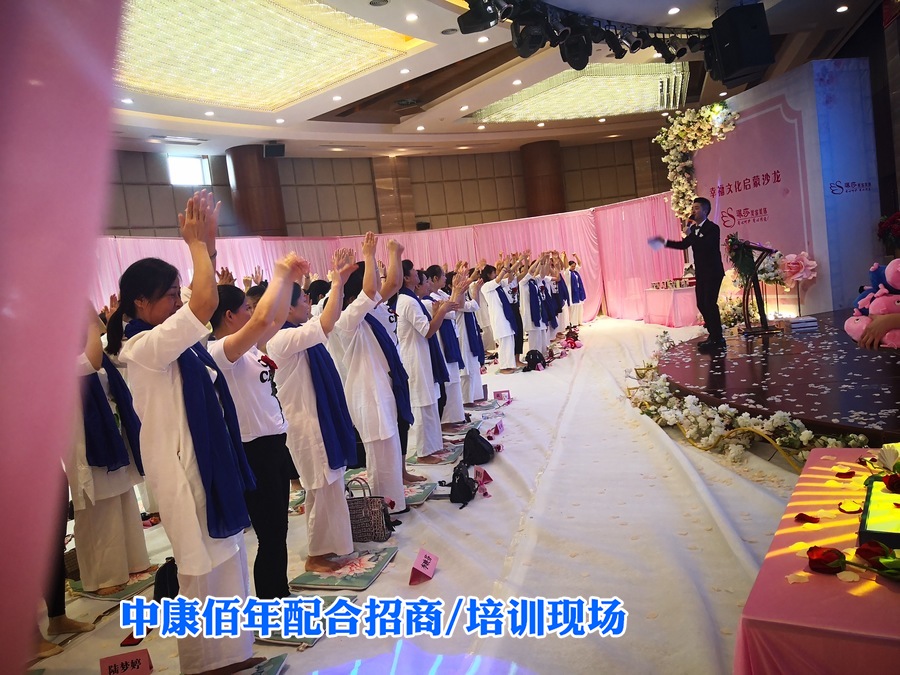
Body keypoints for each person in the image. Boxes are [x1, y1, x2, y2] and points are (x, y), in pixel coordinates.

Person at [107, 191, 263, 675]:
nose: (179, 302)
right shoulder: (144, 347)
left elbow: (201, 298)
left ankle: (233, 654)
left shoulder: (173, 339)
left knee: (228, 559)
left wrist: (207, 248)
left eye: (178, 293)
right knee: (200, 570)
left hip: (206, 460)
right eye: (170, 295)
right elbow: (206, 302)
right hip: (182, 469)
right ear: (141, 302)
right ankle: (202, 663)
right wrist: (195, 245)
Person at [208, 253, 306, 599]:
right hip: (253, 449)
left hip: (273, 444)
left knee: (278, 529)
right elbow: (265, 317)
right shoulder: (221, 351)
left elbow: (274, 318)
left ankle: (278, 592)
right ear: (229, 315)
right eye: (245, 309)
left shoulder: (247, 349)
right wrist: (279, 274)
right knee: (270, 531)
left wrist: (289, 281)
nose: (252, 314)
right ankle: (271, 599)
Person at [266, 249, 359, 573]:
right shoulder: (281, 339)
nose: (308, 302)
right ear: (287, 307)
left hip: (320, 420)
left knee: (330, 486)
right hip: (307, 426)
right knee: (320, 489)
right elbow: (328, 322)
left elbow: (326, 319)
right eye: (303, 299)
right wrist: (337, 283)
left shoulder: (297, 332)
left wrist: (338, 284)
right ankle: (316, 555)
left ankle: (334, 547)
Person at [67, 307, 151, 596]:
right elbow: (89, 362)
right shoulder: (59, 358)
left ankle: (133, 564)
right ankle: (104, 577)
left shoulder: (97, 351)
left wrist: (100, 319)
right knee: (99, 510)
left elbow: (113, 350)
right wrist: (91, 322)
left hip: (112, 436)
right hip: (87, 443)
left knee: (123, 500)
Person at [329, 232, 409, 512]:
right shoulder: (345, 320)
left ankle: (392, 504)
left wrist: (394, 253)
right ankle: (383, 509)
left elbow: (393, 283)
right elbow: (370, 291)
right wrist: (368, 255)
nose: (378, 284)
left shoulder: (368, 312)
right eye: (373, 277)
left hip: (381, 389)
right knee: (380, 455)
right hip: (367, 394)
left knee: (389, 449)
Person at [394, 260, 455, 463]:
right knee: (421, 403)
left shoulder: (411, 299)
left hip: (421, 355)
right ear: (406, 278)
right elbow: (428, 331)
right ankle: (423, 452)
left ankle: (432, 445)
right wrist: (442, 311)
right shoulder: (407, 301)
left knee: (429, 400)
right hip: (414, 358)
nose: (417, 273)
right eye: (413, 271)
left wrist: (439, 312)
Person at [650, 197, 726, 353]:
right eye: (693, 208)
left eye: (697, 208)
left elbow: (707, 246)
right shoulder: (694, 230)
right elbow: (683, 245)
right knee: (701, 304)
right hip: (702, 273)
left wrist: (691, 234)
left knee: (710, 303)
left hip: (713, 272)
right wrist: (664, 242)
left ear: (705, 210)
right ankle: (713, 334)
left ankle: (718, 338)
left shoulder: (713, 228)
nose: (693, 211)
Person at [481, 258, 519, 374]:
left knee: (509, 340)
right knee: (504, 342)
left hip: (505, 316)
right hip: (498, 318)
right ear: (489, 275)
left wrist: (510, 268)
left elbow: (510, 279)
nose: (496, 274)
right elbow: (498, 280)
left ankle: (510, 365)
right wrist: (505, 267)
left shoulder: (497, 285)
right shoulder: (486, 286)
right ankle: (504, 367)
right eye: (494, 273)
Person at [563, 252, 586, 328]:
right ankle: (573, 323)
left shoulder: (575, 272)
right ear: (569, 266)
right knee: (573, 307)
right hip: (571, 292)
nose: (573, 267)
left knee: (579, 306)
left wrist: (576, 256)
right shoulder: (567, 273)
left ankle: (579, 321)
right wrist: (565, 257)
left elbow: (580, 263)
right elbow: (566, 266)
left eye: (574, 266)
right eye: (572, 266)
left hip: (578, 291)